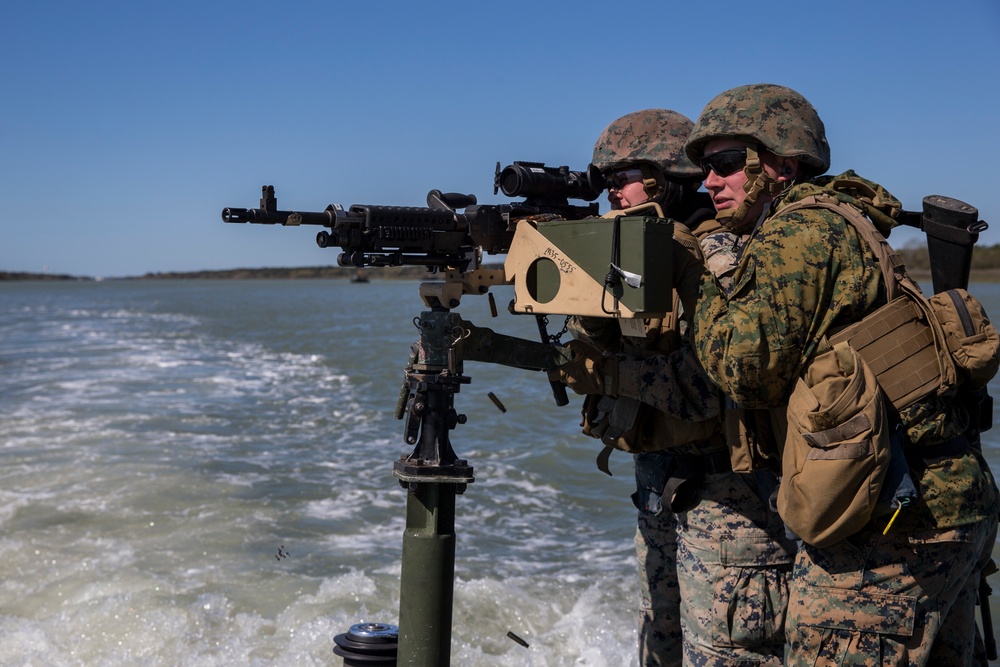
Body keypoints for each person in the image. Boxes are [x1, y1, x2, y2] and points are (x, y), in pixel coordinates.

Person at [684, 82, 1000, 665]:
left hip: (888, 526)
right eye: (706, 167)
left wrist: (710, 264)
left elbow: (742, 369)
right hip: (943, 504)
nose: (710, 182)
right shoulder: (844, 222)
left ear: (779, 163)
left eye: (726, 164)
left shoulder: (799, 233)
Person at [551, 108, 794, 666]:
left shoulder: (719, 255)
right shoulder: (632, 257)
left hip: (731, 501)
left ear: (669, 177)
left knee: (729, 653)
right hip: (659, 486)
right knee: (661, 641)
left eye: (622, 178)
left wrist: (606, 373)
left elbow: (712, 387)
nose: (611, 193)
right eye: (605, 182)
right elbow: (596, 350)